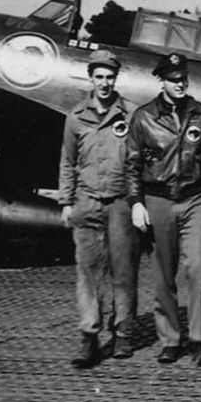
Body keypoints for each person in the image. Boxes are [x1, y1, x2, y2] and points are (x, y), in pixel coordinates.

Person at [125, 52, 201, 366]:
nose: (180, 84)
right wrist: (136, 202)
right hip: (157, 199)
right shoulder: (143, 117)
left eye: (183, 79)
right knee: (163, 276)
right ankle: (170, 339)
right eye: (173, 80)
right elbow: (132, 165)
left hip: (195, 199)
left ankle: (198, 339)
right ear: (162, 82)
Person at [57, 48, 138, 368]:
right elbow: (68, 161)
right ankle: (89, 336)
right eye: (99, 77)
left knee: (123, 272)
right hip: (86, 202)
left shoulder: (131, 115)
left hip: (120, 203)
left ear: (116, 79)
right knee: (88, 274)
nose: (104, 83)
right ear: (90, 79)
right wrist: (66, 201)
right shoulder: (76, 117)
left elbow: (140, 162)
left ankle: (123, 333)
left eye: (110, 77)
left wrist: (138, 203)